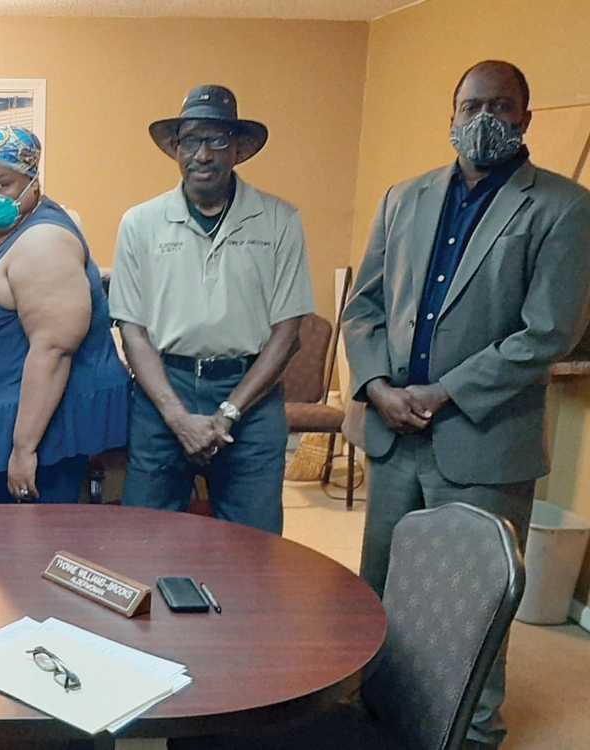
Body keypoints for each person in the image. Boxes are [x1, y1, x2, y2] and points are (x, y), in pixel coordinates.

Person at [342, 61, 590, 749]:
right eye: (472, 104)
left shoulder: (565, 208)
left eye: (502, 105)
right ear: (451, 115)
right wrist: (376, 388)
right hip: (394, 435)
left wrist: (444, 390)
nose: (485, 118)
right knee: (384, 589)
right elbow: (362, 308)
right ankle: (381, 717)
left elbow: (549, 331)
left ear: (526, 118)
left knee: (471, 603)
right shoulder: (404, 198)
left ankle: (471, 733)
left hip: (483, 440)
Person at [110, 85, 314, 534]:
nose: (203, 154)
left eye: (217, 140)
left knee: (254, 549)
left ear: (238, 149)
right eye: (190, 141)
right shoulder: (140, 223)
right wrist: (177, 417)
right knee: (145, 539)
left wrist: (229, 414)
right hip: (164, 392)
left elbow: (286, 334)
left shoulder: (279, 220)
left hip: (251, 396)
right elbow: (133, 331)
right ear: (174, 150)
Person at [0, 126, 129, 504]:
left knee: (20, 553)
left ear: (33, 182)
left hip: (25, 440)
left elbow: (53, 352)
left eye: (4, 184)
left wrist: (23, 450)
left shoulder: (45, 243)